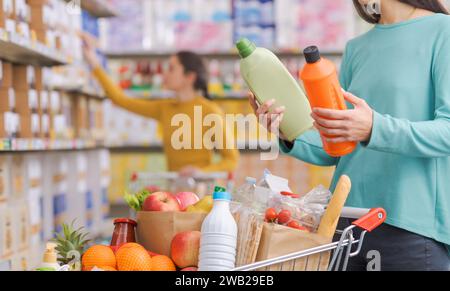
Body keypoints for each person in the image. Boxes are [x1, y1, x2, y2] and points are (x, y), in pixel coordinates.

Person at [249, 0, 450, 271]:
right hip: (344, 225)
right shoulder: (357, 48)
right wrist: (286, 131)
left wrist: (373, 128)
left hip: (409, 228)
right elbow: (336, 146)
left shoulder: (442, 32)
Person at [82, 38, 239, 177]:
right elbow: (120, 99)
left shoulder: (210, 112)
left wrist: (201, 172)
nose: (165, 74)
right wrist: (94, 63)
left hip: (201, 190)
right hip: (172, 189)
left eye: (171, 68)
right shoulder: (164, 108)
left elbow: (231, 160)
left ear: (189, 77)